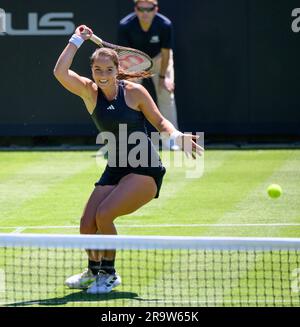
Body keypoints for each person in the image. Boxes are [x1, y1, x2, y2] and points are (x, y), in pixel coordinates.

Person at [53, 25, 203, 294]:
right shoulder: (89, 92)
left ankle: (109, 275)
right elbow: (60, 73)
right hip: (116, 168)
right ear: (92, 71)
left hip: (145, 169)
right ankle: (93, 272)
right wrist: (76, 39)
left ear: (117, 69)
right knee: (87, 224)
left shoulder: (134, 93)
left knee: (105, 214)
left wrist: (176, 136)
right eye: (97, 70)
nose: (102, 75)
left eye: (108, 70)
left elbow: (159, 121)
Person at [118, 0, 179, 150]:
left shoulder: (165, 25)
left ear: (156, 9)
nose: (145, 13)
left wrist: (163, 78)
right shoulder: (125, 25)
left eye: (149, 9)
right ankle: (126, 142)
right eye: (141, 9)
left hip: (159, 59)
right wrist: (127, 80)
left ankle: (171, 141)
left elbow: (166, 53)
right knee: (127, 97)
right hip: (135, 61)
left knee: (165, 94)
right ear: (136, 9)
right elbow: (124, 54)